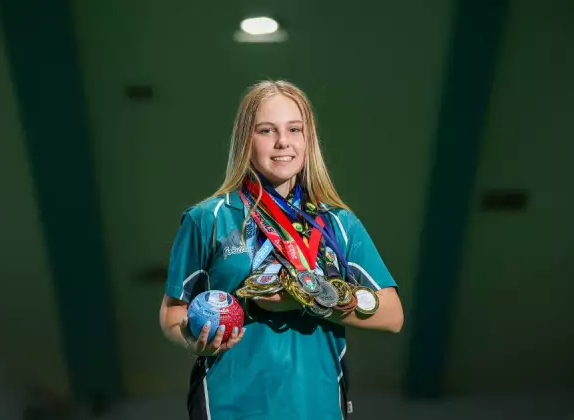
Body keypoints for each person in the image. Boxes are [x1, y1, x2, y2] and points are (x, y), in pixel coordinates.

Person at [158, 80, 404, 420]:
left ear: (308, 140)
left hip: (318, 407)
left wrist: (309, 299)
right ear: (246, 139)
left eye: (295, 129)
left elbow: (392, 315)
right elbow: (173, 313)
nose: (282, 142)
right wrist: (193, 339)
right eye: (266, 130)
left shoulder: (338, 225)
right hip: (229, 406)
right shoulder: (207, 219)